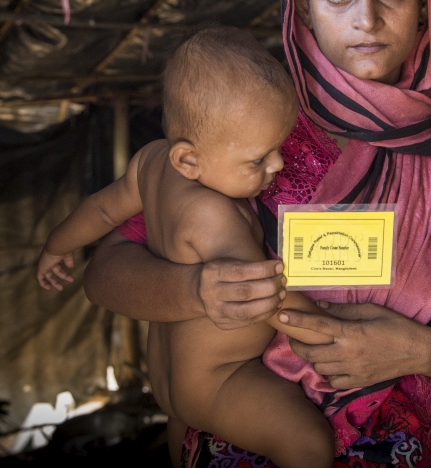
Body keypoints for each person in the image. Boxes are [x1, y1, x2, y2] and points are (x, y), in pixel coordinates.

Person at [83, 0, 431, 467]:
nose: (365, 20)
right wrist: (196, 290)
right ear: (303, 3)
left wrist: (421, 352)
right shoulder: (253, 131)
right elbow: (105, 272)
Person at [36, 26, 335, 468]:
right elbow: (258, 295)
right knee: (309, 444)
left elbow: (101, 211)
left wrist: (56, 246)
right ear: (189, 160)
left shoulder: (150, 162)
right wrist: (328, 332)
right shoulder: (216, 216)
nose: (277, 163)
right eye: (259, 158)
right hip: (221, 381)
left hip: (170, 385)